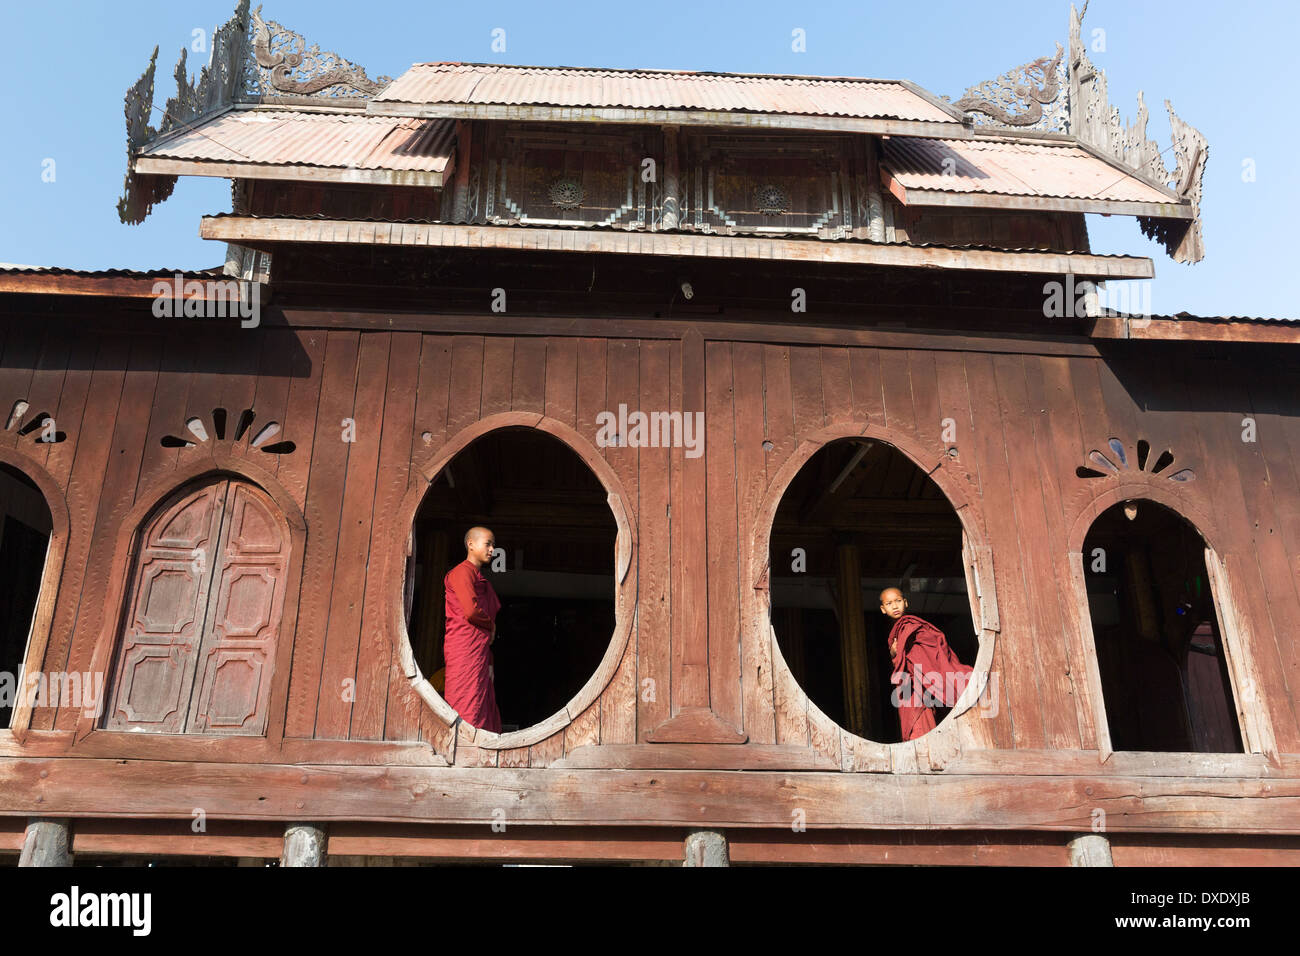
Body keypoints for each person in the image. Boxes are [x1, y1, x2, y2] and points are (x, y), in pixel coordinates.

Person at [879, 587, 973, 741]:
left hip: (918, 687)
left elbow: (928, 653)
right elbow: (901, 660)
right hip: (910, 688)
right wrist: (894, 654)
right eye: (889, 604)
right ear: (883, 609)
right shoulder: (897, 630)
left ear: (906, 602)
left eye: (898, 601)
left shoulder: (912, 626)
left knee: (919, 728)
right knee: (917, 725)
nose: (895, 606)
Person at [443, 526, 503, 732]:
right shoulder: (461, 572)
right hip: (464, 648)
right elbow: (470, 611)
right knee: (466, 701)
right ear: (471, 544)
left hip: (479, 649)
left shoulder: (476, 576)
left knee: (481, 699)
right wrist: (490, 625)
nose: (492, 550)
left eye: (493, 545)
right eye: (488, 544)